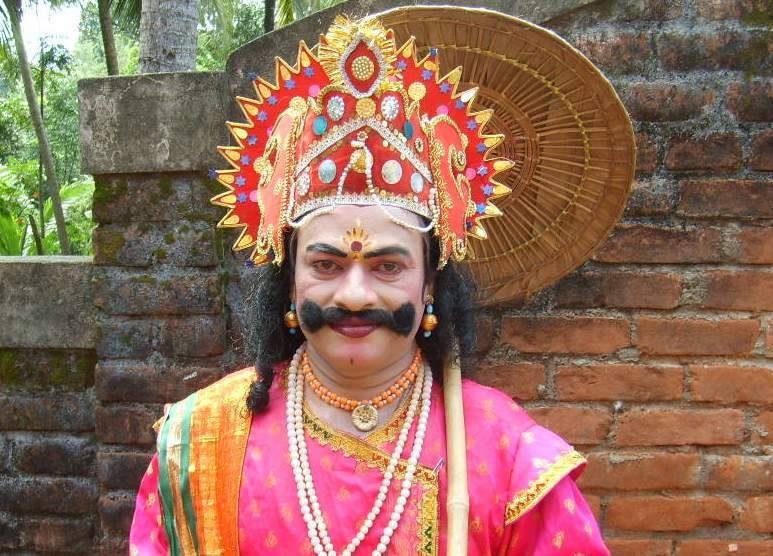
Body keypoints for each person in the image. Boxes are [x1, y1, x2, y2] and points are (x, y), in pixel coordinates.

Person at [130, 8, 634, 555]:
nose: (353, 294)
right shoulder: (198, 442)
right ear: (289, 282)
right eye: (325, 265)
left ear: (431, 286)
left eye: (387, 266)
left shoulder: (508, 454)